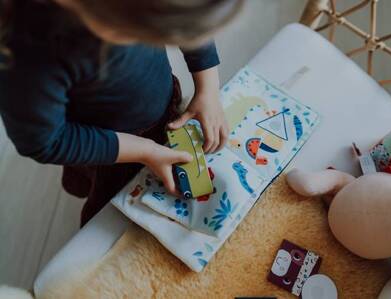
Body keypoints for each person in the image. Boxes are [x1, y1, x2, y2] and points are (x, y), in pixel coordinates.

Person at [0, 0, 242, 225]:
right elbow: (44, 141)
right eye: (146, 36)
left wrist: (208, 88)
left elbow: (188, 22)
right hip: (108, 148)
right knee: (115, 217)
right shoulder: (29, 55)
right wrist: (144, 151)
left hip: (162, 101)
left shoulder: (129, 11)